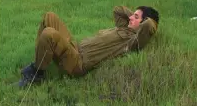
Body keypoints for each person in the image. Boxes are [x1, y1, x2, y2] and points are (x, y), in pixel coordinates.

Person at [18, 5, 159, 87]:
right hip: (75, 47)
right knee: (50, 16)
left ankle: (37, 73)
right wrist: (137, 14)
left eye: (135, 17)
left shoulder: (133, 40)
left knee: (49, 33)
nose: (130, 18)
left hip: (77, 62)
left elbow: (149, 26)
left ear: (143, 22)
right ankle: (40, 60)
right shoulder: (124, 28)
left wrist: (143, 21)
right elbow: (118, 10)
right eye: (132, 15)